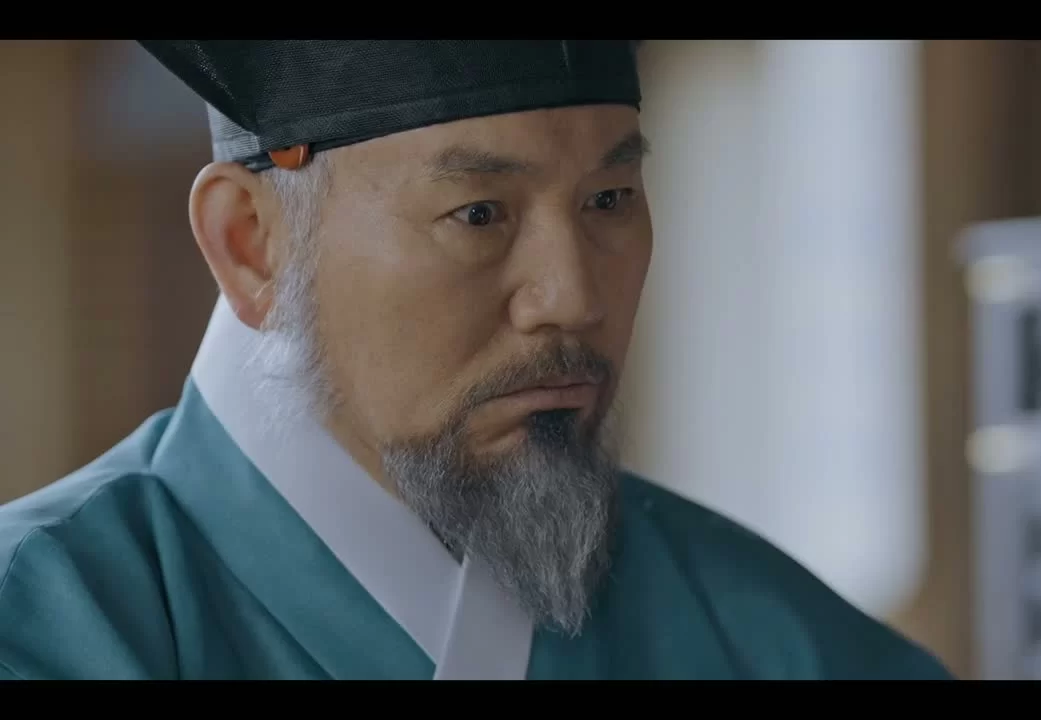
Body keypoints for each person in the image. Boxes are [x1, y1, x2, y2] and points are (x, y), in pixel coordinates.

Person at [0, 40, 952, 680]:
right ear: (251, 244)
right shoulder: (46, 626)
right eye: (480, 213)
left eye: (610, 200)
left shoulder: (774, 640)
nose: (573, 297)